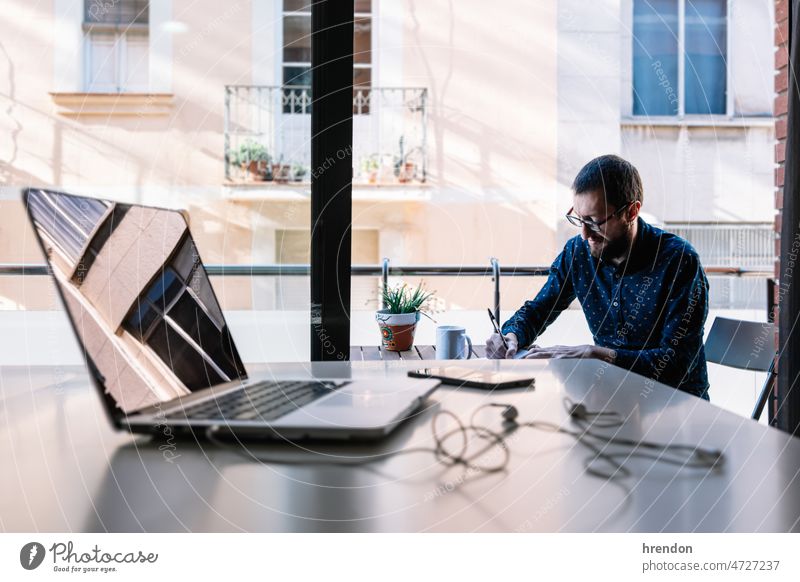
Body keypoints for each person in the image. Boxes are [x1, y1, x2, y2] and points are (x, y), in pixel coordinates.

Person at [486, 154, 710, 400]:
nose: (584, 234)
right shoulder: (578, 253)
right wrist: (511, 335)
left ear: (632, 211)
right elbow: (538, 309)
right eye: (579, 219)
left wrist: (596, 355)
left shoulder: (678, 260)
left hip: (677, 407)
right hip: (610, 399)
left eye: (593, 221)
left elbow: (676, 364)